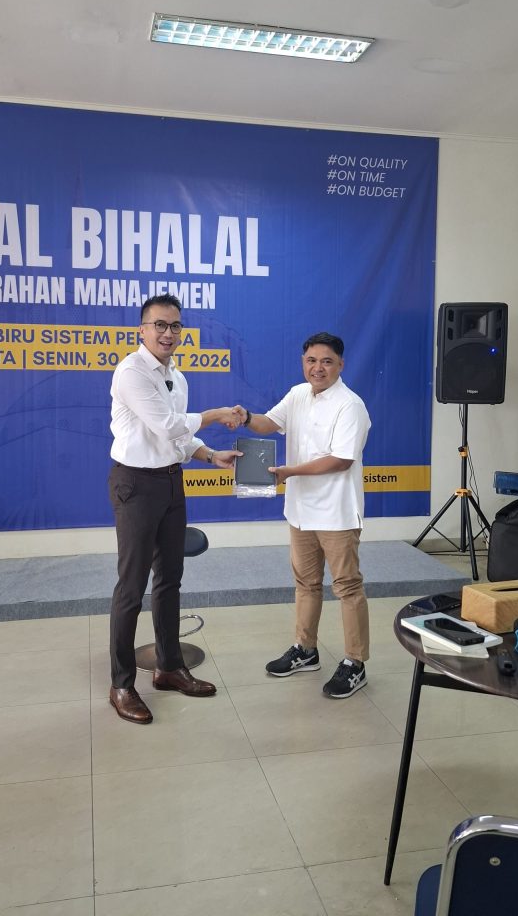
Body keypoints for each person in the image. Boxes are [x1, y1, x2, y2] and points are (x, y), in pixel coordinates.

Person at [108, 293, 241, 724]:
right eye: (160, 325)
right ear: (142, 330)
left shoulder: (177, 378)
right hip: (135, 484)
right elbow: (166, 425)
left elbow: (178, 440)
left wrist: (211, 455)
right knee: (131, 587)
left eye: (175, 326)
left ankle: (168, 667)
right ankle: (122, 685)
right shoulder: (131, 372)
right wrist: (216, 414)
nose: (168, 333)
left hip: (170, 482)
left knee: (169, 580)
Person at [233, 332, 371, 698]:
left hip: (337, 513)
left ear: (340, 365)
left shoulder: (350, 405)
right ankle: (306, 649)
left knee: (347, 587)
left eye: (327, 361)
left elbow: (341, 460)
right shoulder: (297, 394)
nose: (318, 368)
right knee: (306, 584)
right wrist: (246, 418)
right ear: (303, 362)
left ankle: (355, 663)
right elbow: (269, 423)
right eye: (311, 360)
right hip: (300, 511)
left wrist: (289, 472)